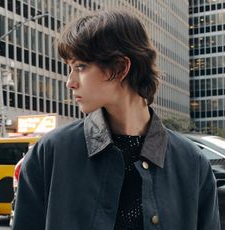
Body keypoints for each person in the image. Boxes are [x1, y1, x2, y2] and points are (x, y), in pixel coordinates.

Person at [12, 10, 221, 230]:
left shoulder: (191, 162)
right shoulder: (51, 152)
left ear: (121, 68)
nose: (70, 82)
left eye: (80, 67)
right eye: (70, 68)